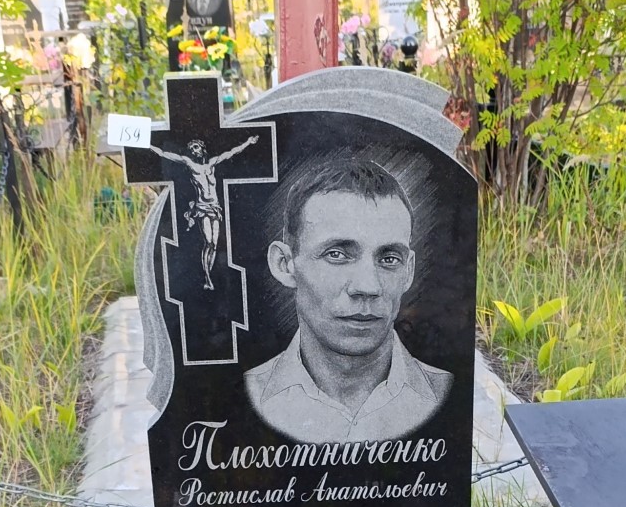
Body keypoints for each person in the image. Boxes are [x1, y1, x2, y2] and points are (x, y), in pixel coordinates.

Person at [246, 157, 450, 444]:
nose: (368, 287)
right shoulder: (242, 395)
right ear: (285, 264)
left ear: (409, 271)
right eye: (337, 254)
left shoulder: (446, 394)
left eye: (389, 259)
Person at [148, 132, 258, 289]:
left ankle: (209, 276)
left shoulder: (212, 163)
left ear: (202, 148)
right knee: (208, 242)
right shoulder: (190, 164)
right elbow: (165, 154)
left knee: (214, 244)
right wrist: (149, 145)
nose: (194, 150)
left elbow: (231, 152)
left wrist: (248, 142)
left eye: (196, 147)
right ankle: (207, 278)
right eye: (192, 148)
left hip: (215, 207)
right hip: (202, 208)